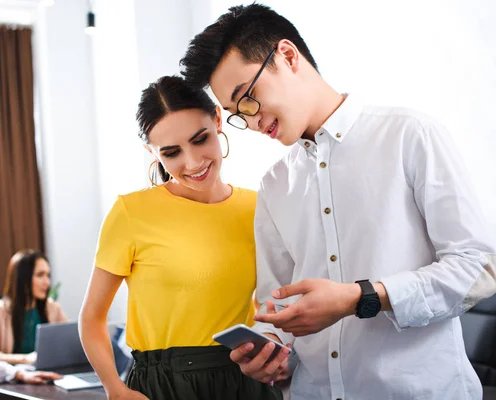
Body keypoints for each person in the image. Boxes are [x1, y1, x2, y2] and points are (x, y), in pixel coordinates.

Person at [179, 4, 496, 399]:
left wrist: (362, 297)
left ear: (288, 55)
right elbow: (276, 308)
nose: (253, 120)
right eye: (237, 114)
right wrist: (268, 352)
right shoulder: (275, 184)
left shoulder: (408, 136)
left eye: (248, 99)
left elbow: (478, 269)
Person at [78, 76, 284, 400]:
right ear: (152, 152)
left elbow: (269, 303)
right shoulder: (131, 213)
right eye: (171, 152)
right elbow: (91, 317)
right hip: (163, 385)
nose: (193, 162)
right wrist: (114, 389)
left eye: (200, 139)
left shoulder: (258, 206)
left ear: (217, 119)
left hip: (244, 380)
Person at [0, 249, 68, 365]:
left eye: (48, 275)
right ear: (23, 278)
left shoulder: (53, 308)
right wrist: (25, 359)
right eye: (40, 275)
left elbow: (68, 345)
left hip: (49, 374)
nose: (47, 282)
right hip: (14, 379)